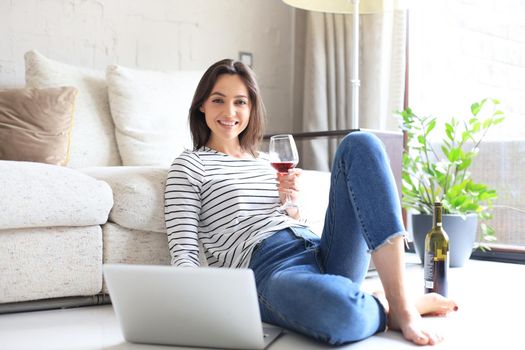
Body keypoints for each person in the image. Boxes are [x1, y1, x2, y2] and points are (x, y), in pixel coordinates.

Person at [164, 59, 458, 346]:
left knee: (361, 143)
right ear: (201, 104)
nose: (230, 111)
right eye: (218, 100)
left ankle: (401, 305)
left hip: (316, 247)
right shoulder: (190, 165)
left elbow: (293, 220)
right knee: (342, 314)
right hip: (267, 270)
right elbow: (184, 251)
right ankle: (384, 308)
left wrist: (289, 200)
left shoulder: (266, 161)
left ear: (251, 108)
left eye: (240, 102)